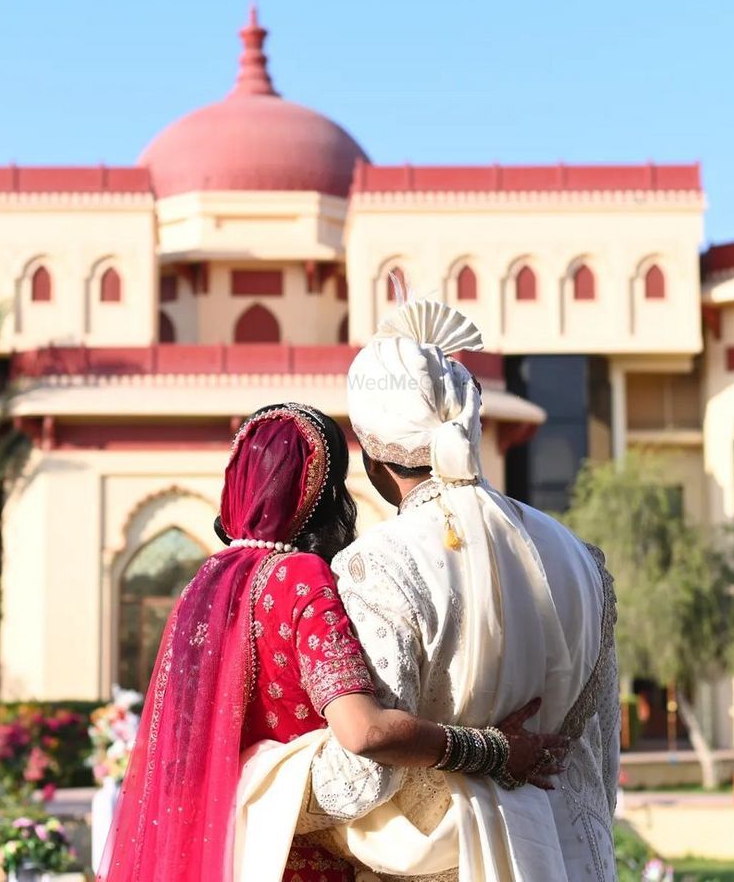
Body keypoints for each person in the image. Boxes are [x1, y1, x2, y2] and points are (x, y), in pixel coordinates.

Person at [97, 402, 564, 882]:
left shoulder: (203, 586)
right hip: (297, 859)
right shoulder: (300, 577)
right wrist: (494, 752)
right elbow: (363, 732)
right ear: (321, 493)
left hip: (227, 853)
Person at [236, 299, 620, 881]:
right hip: (566, 859)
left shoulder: (378, 564)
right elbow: (599, 759)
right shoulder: (581, 558)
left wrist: (258, 781)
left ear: (370, 449)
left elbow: (364, 775)